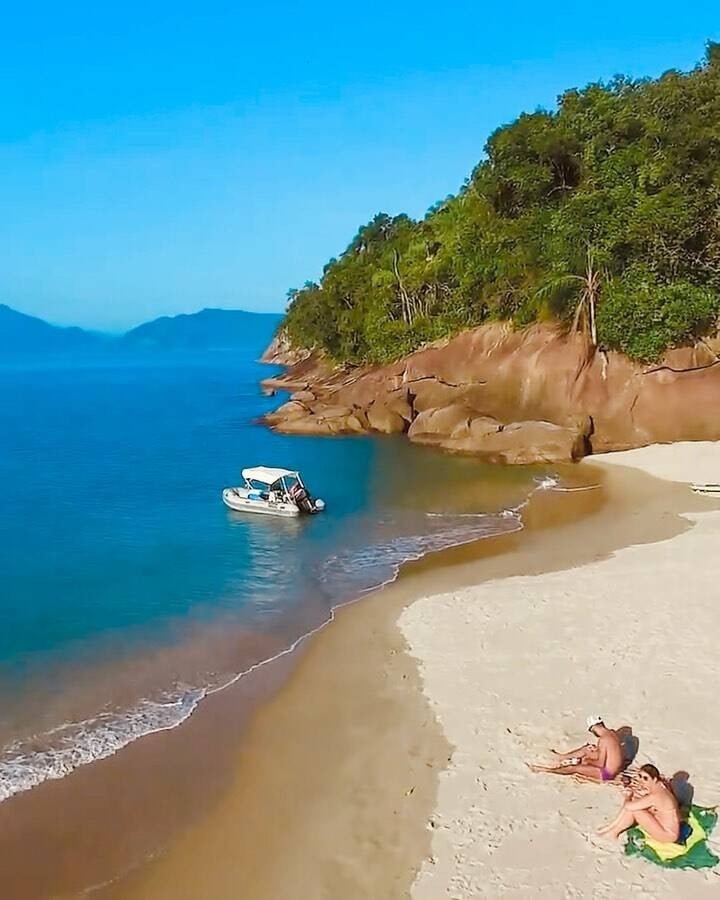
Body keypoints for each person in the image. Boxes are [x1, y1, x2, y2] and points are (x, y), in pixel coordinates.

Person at [597, 763, 681, 842]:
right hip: (667, 826)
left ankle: (614, 831)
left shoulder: (655, 796)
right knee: (636, 803)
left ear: (654, 779)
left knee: (634, 809)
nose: (641, 780)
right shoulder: (662, 786)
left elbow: (628, 806)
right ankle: (611, 827)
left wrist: (627, 796)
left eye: (645, 778)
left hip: (667, 834)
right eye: (640, 776)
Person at [528, 715, 624, 782]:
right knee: (587, 749)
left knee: (573, 768)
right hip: (614, 767)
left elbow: (600, 763)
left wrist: (586, 760)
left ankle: (545, 770)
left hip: (607, 773)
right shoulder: (611, 733)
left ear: (592, 729)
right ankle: (561, 757)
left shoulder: (603, 739)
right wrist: (595, 751)